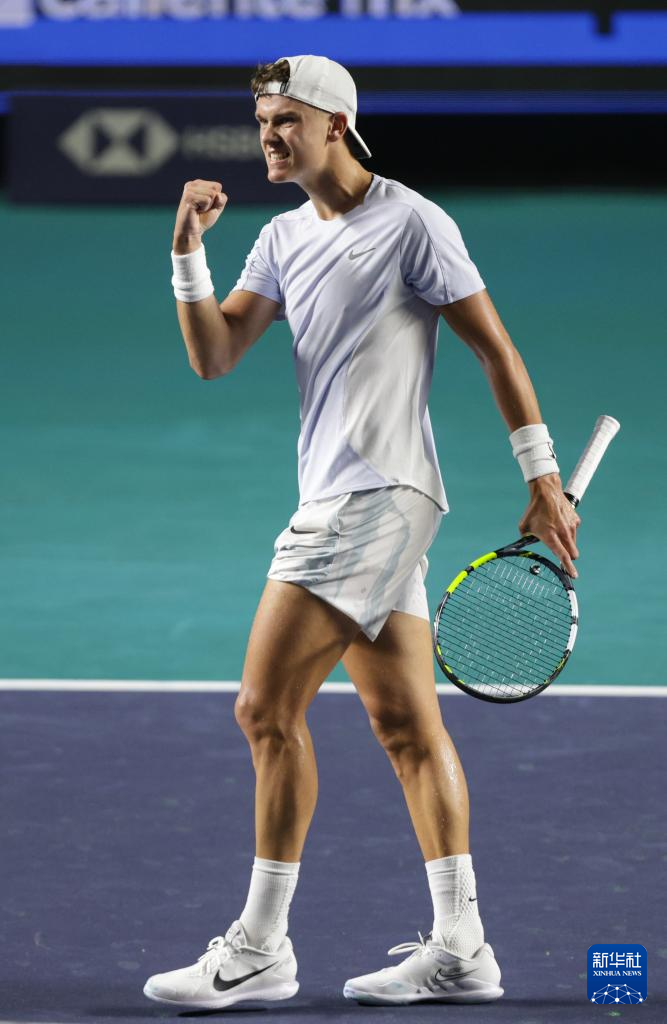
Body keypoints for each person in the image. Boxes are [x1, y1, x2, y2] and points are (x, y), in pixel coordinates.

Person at [143, 54, 580, 1011]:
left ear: (335, 124)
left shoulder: (411, 222)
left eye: (284, 121)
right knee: (405, 727)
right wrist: (186, 251)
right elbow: (215, 355)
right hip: (351, 499)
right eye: (261, 122)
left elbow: (493, 347)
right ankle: (462, 947)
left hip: (374, 499)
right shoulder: (281, 237)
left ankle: (260, 947)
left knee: (264, 710)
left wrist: (542, 476)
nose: (267, 137)